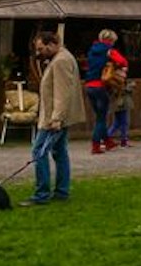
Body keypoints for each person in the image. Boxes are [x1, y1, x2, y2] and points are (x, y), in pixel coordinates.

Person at [29, 30, 81, 204]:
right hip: (56, 116)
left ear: (52, 44)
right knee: (60, 152)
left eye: (41, 48)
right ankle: (61, 191)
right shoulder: (61, 58)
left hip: (54, 118)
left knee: (39, 151)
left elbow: (62, 92)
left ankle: (42, 194)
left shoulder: (61, 61)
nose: (39, 53)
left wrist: (57, 118)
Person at [84, 28, 117, 155]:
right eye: (113, 41)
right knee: (101, 118)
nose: (113, 43)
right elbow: (122, 61)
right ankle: (96, 144)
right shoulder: (109, 51)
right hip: (100, 85)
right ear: (109, 40)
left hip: (89, 85)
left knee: (99, 116)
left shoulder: (92, 50)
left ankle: (107, 140)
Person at [106, 50, 133, 147]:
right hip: (121, 101)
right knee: (123, 121)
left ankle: (109, 137)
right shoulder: (118, 77)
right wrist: (129, 87)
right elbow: (122, 89)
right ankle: (122, 139)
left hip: (117, 101)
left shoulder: (111, 75)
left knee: (118, 122)